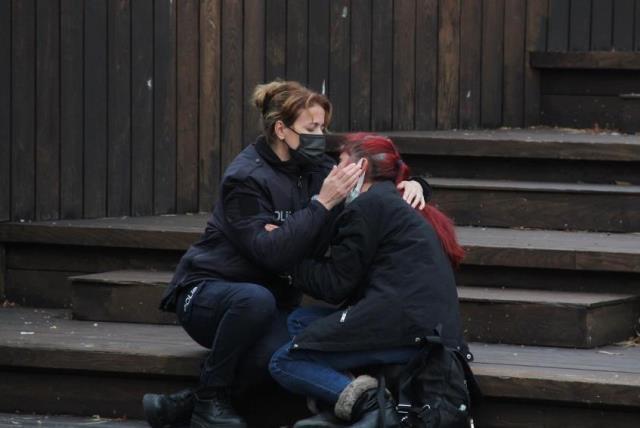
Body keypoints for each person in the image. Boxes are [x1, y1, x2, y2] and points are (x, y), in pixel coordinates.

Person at [142, 81, 430, 428]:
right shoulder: (245, 178)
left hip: (272, 305)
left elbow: (372, 178)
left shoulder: (316, 169)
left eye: (323, 127)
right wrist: (322, 204)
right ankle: (208, 402)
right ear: (281, 129)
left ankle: (185, 405)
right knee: (254, 299)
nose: (321, 136)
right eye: (311, 128)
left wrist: (414, 184)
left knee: (283, 353)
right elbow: (270, 253)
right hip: (210, 294)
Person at [268, 133, 470, 428]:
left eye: (340, 162)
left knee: (285, 361)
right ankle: (356, 393)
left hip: (407, 329)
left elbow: (335, 285)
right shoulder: (391, 199)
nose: (333, 171)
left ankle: (372, 404)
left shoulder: (368, 206)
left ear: (360, 166)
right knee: (299, 321)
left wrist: (285, 259)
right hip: (421, 324)